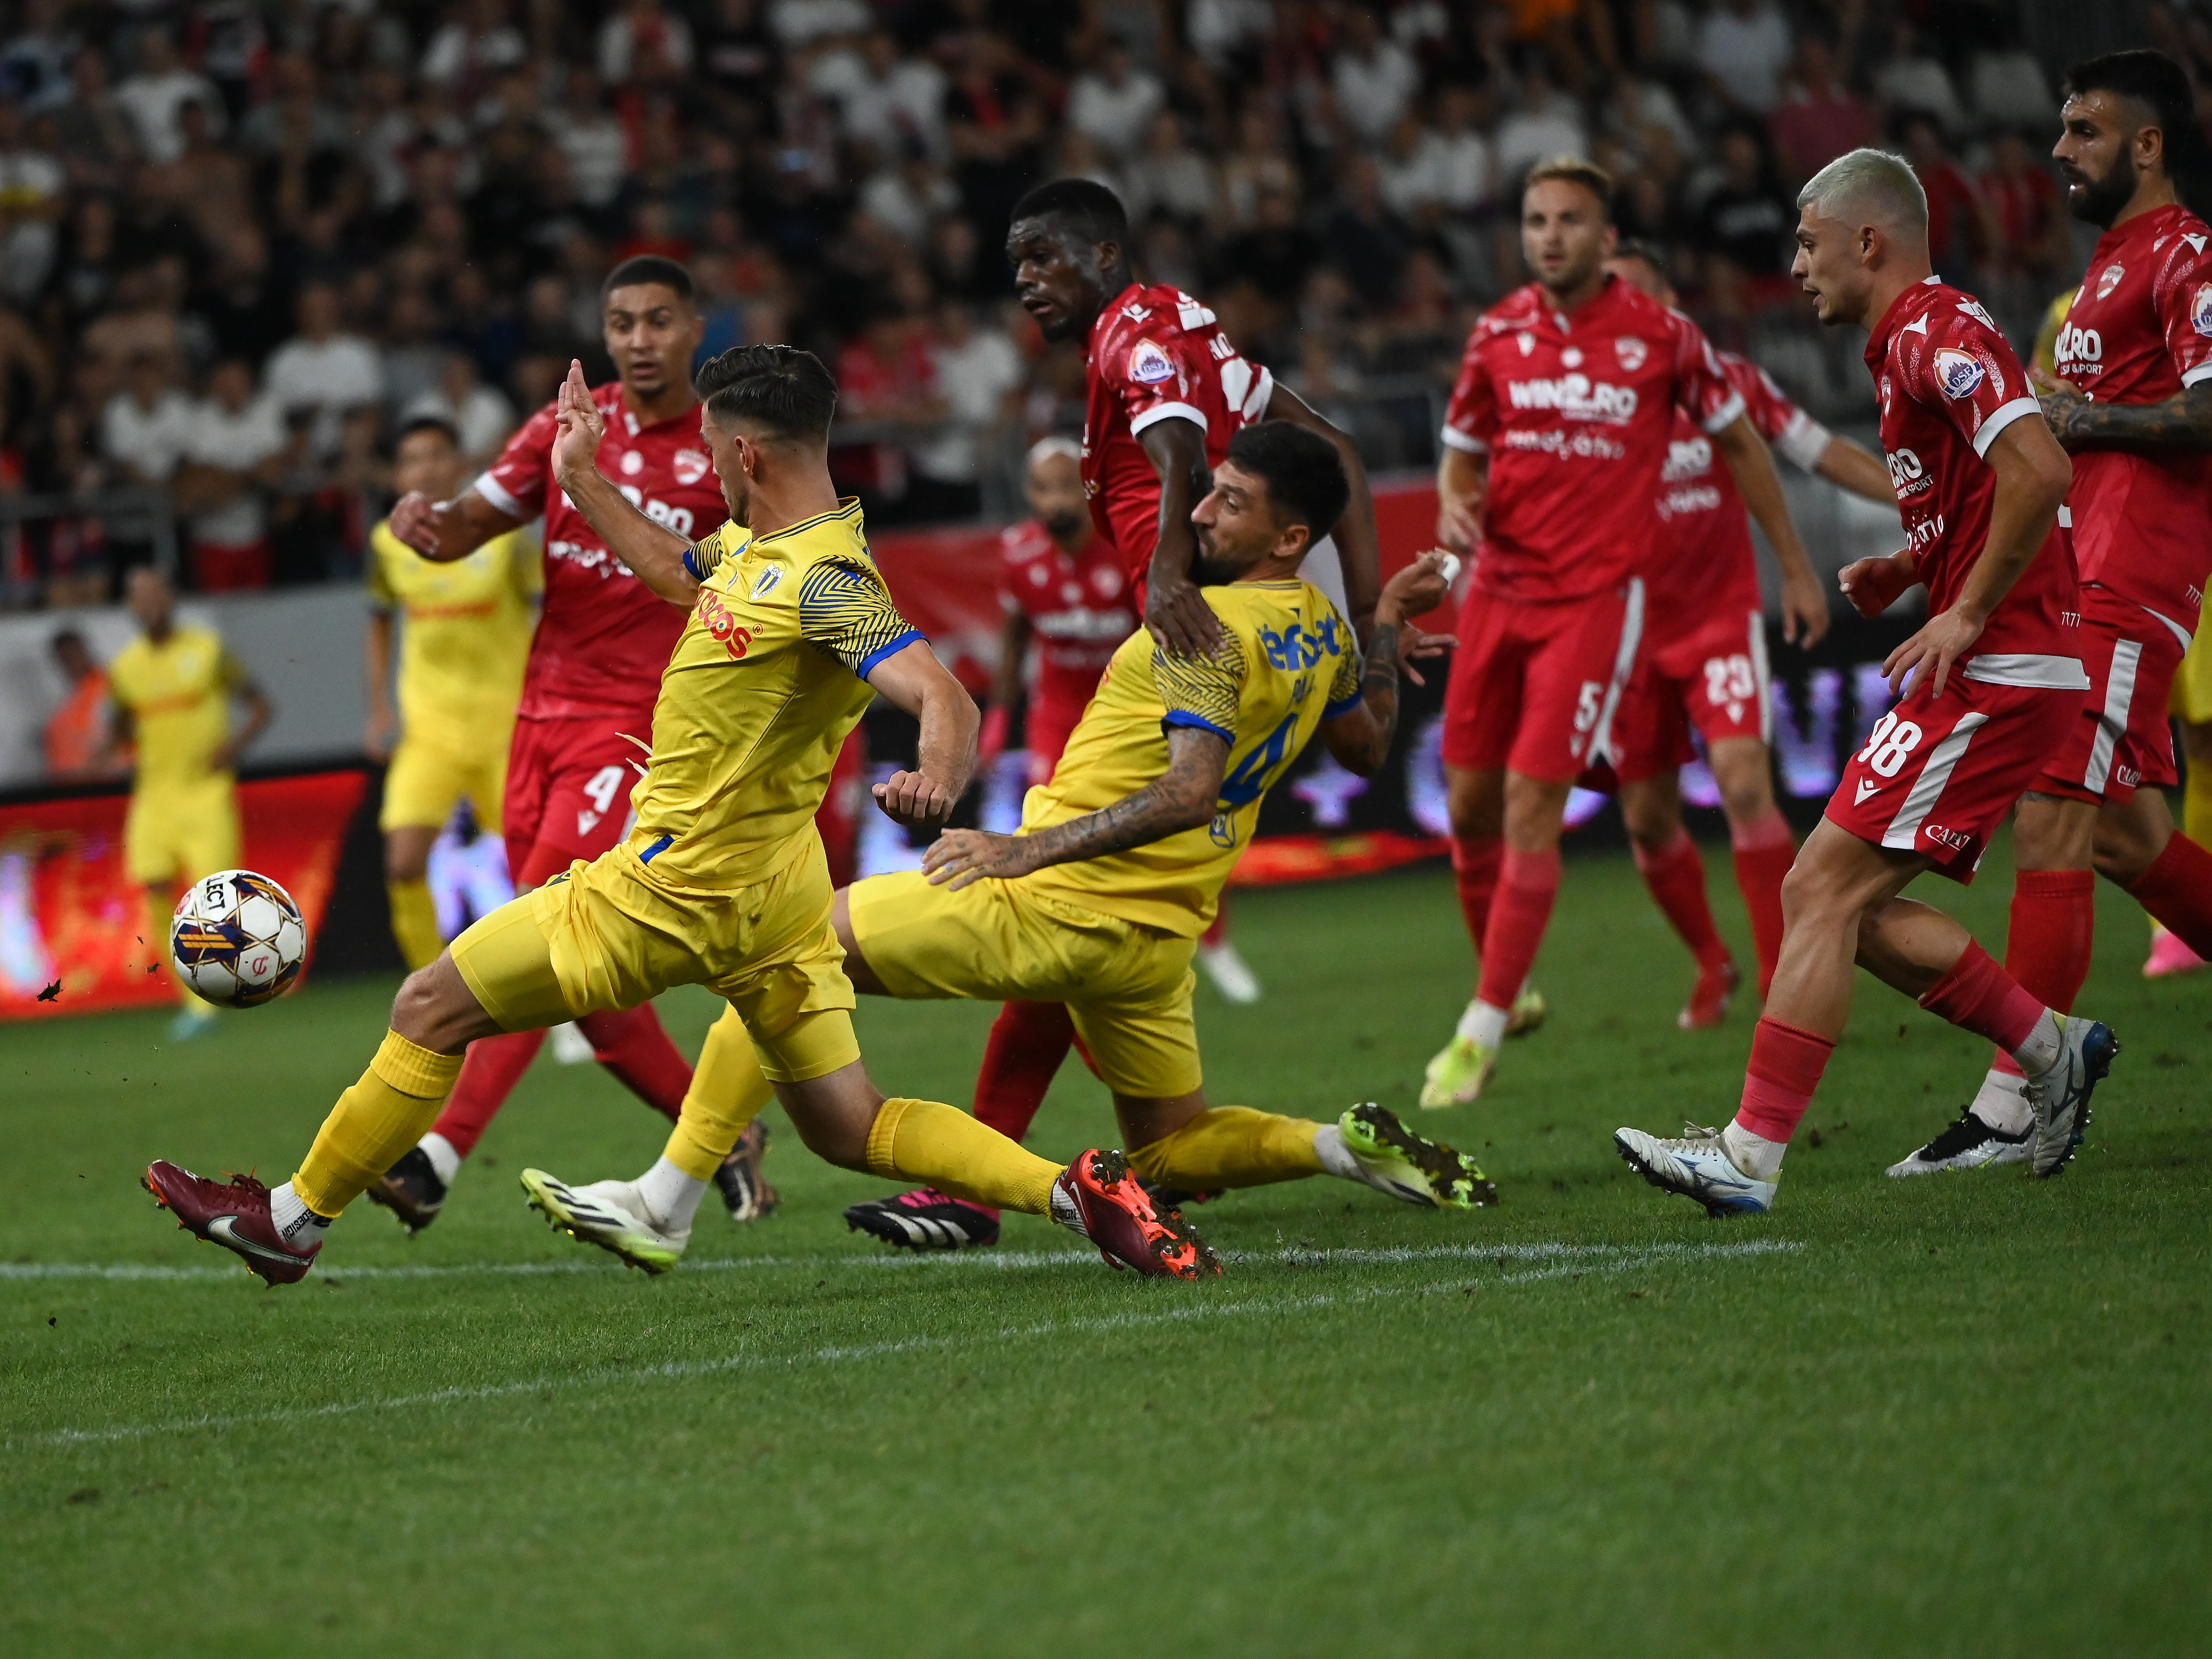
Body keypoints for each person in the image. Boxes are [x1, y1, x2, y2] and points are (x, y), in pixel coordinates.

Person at [143, 345, 1218, 1286]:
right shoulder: (759, 550)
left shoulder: (829, 584)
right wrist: (583, 479)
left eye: (710, 449)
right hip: (776, 905)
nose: (705, 465)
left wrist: (936, 779)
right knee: (850, 1125)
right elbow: (674, 568)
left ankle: (289, 1222)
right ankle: (1078, 1196)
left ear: (746, 455)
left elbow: (945, 693)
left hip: (672, 889)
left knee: (429, 1004)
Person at [525, 422, 1487, 1266]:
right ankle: (1337, 1148)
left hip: (1060, 899)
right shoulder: (1316, 624)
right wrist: (1385, 627)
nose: (1200, 514)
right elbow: (1362, 747)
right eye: (1211, 491)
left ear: (1289, 536)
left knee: (789, 953)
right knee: (1167, 1149)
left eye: (1231, 503)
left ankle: (664, 1201)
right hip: (1154, 945)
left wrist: (1024, 853)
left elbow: (1189, 789)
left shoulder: (1201, 626)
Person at [1616, 148, 2118, 1215]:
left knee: (1823, 891)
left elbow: (2040, 469)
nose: (1793, 265)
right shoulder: (1905, 342)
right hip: (1997, 656)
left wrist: (1967, 606)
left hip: (2002, 662)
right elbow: (1998, 484)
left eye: (1805, 243)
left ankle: (1749, 1156)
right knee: (1837, 901)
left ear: (1867, 241)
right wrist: (1916, 562)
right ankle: (2050, 1046)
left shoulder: (1936, 331)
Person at [361, 256, 770, 1237]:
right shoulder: (562, 425)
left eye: (658, 321)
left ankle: (435, 1155)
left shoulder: (727, 449)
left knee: (538, 930)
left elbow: (708, 585)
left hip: (638, 722)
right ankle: (721, 1136)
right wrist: (428, 524)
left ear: (694, 330)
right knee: (589, 986)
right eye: (621, 321)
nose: (637, 340)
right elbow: (470, 525)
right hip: (536, 723)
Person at [1420, 157, 1819, 1107]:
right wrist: (1452, 509)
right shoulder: (1496, 334)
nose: (1548, 234)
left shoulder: (1661, 338)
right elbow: (1459, 460)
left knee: (1530, 805)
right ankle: (1508, 988)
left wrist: (1794, 565)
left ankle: (1479, 1027)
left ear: (1604, 238)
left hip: (1594, 608)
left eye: (1567, 220)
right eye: (1534, 219)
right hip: (1497, 600)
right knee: (1468, 808)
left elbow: (1741, 445)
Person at [1889, 51, 2212, 1174]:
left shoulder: (2186, 255)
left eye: (2084, 131)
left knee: (2054, 813)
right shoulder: (2111, 265)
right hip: (2091, 575)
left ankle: (2018, 1098)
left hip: (2135, 578)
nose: (2062, 150)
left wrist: (2083, 413)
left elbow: (2208, 411)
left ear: (2148, 145)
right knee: (2127, 838)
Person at [1601, 240, 1896, 1026]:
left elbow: (1820, 450)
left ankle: (1778, 978)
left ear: (1669, 301)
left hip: (1715, 620)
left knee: (1741, 783)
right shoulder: (1581, 406)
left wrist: (1915, 496)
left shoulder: (1724, 381)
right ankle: (1712, 963)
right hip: (1624, 638)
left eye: (1638, 293)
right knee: (1646, 820)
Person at [363, 417, 540, 976]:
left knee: (537, 867)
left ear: (462, 465)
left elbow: (545, 611)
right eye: (413, 459)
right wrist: (379, 707)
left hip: (505, 725)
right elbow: (378, 619)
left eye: (439, 454)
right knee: (404, 861)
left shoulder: (506, 536)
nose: (427, 467)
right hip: (431, 731)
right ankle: (427, 984)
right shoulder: (386, 545)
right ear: (397, 477)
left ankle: (556, 988)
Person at [103, 566, 272, 1041]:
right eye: (138, 597)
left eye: (155, 594)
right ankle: (196, 1000)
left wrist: (233, 747)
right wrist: (106, 747)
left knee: (214, 899)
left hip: (205, 792)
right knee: (156, 886)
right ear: (130, 608)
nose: (148, 604)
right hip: (153, 796)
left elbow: (261, 704)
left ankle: (245, 978)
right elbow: (119, 724)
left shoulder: (208, 650)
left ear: (171, 598)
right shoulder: (125, 668)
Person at [44, 628, 113, 779]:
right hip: (71, 789)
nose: (72, 661)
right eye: (65, 658)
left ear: (85, 651)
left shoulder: (112, 688)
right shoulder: (65, 709)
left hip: (109, 784)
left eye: (74, 654)